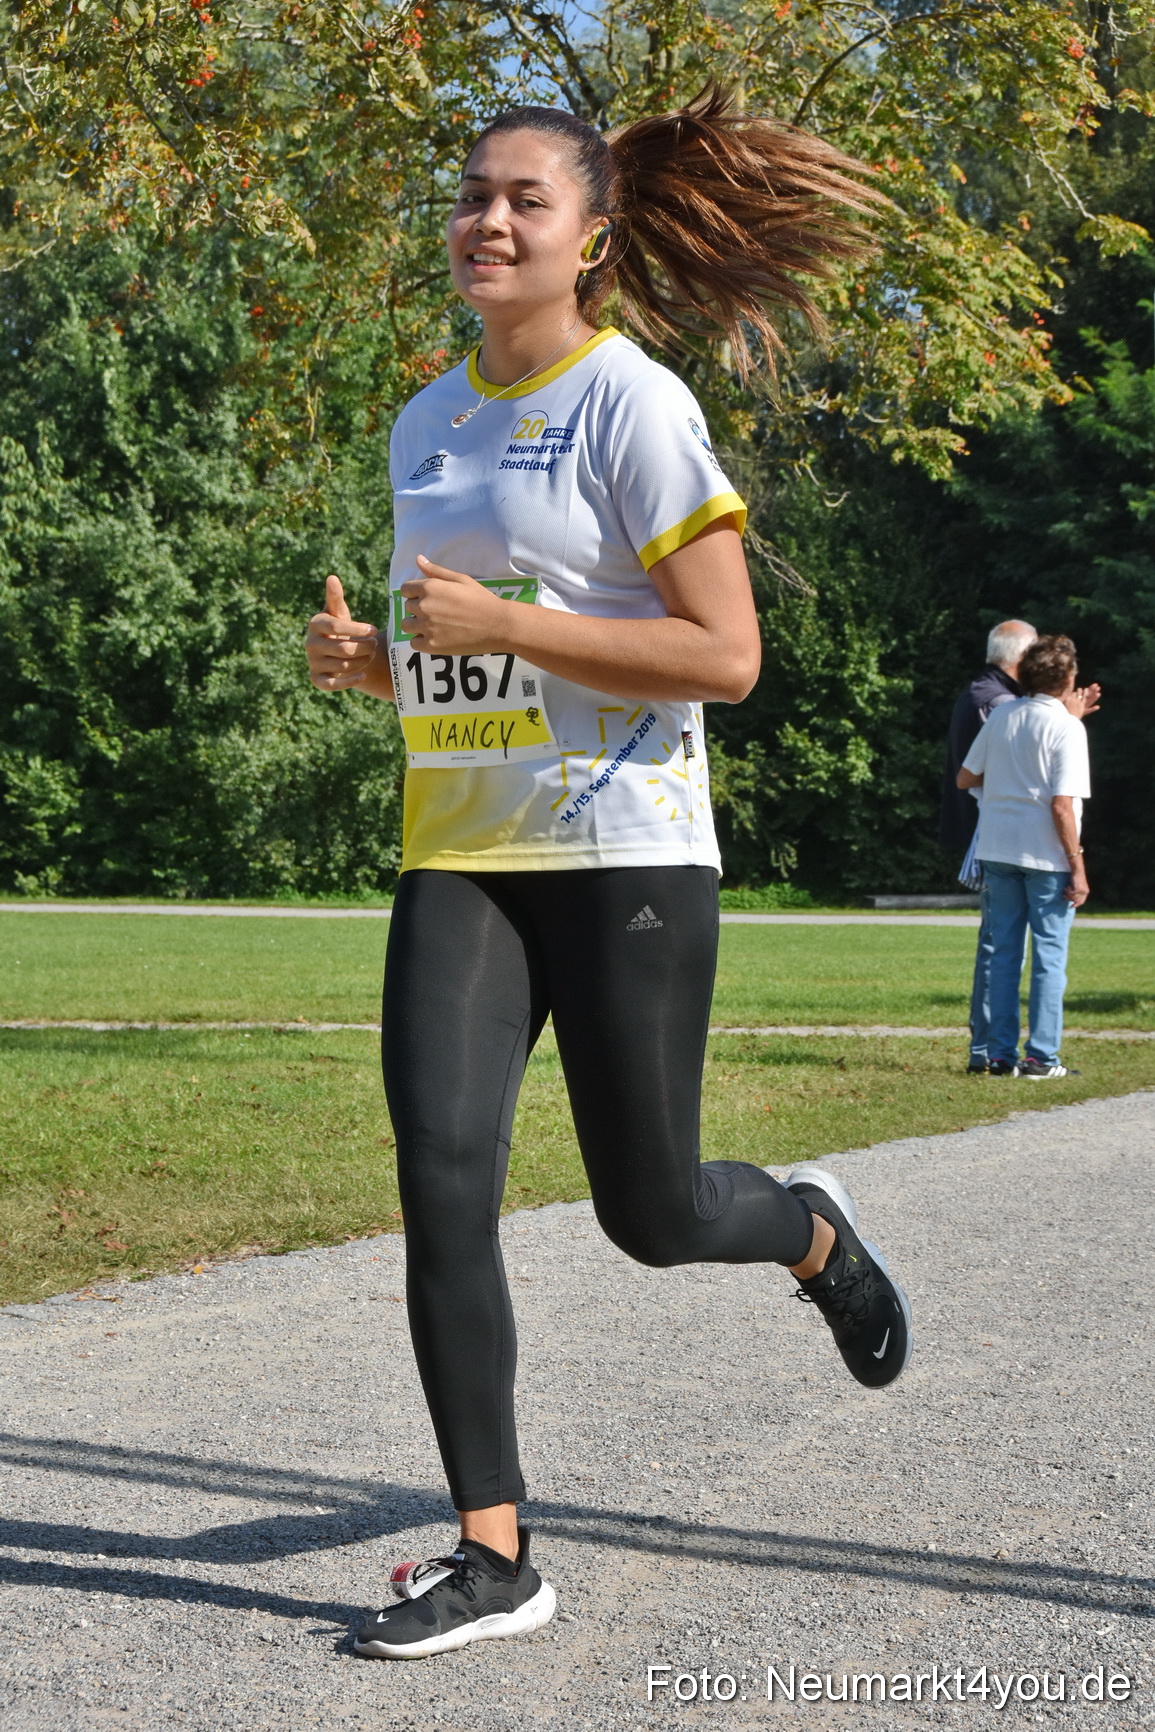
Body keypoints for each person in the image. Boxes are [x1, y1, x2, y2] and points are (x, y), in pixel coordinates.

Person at [305, 88, 913, 1661]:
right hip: (461, 857)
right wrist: (376, 666)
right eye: (470, 197)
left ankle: (808, 1236)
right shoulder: (423, 420)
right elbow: (470, 671)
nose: (486, 222)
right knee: (440, 1181)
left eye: (521, 200)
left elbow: (723, 653)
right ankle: (493, 1553)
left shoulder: (628, 403)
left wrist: (503, 622)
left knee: (648, 1211)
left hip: (624, 851)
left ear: (587, 236)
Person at [957, 635, 1091, 1079]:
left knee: (1004, 954)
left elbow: (966, 776)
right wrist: (1079, 865)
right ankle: (1041, 1056)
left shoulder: (1002, 715)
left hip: (998, 847)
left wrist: (998, 792)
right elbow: (1061, 805)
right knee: (1049, 956)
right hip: (1046, 855)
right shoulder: (1068, 728)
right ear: (1067, 678)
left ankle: (999, 1055)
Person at [940, 620, 1037, 1073]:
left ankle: (986, 1046)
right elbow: (1008, 769)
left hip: (993, 834)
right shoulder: (996, 701)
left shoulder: (984, 694)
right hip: (997, 837)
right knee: (997, 943)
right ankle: (985, 1047)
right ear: (1019, 657)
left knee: (995, 941)